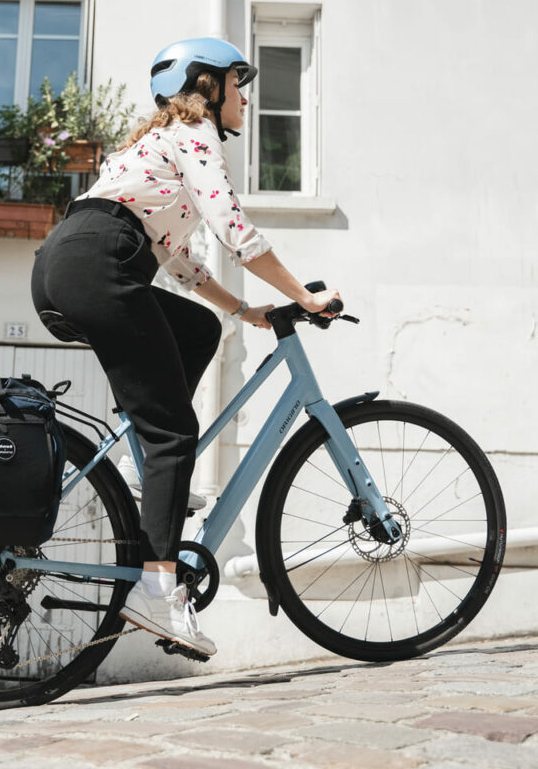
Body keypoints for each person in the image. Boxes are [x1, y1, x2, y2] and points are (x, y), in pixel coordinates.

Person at [31, 37, 342, 656]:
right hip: (101, 264)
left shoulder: (155, 145)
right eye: (238, 83)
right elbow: (234, 230)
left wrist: (242, 311)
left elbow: (178, 263)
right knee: (175, 432)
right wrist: (302, 298)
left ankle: (137, 465)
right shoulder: (193, 133)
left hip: (66, 263)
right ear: (207, 86)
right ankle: (158, 591)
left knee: (199, 328)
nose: (246, 98)